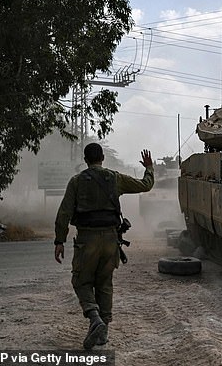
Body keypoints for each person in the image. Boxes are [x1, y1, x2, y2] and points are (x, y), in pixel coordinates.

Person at [54, 143, 154, 349]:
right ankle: (102, 333)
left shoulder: (76, 181)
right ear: (102, 158)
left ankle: (94, 318)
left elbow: (64, 213)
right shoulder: (114, 178)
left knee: (81, 282)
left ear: (85, 160)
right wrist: (149, 168)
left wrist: (59, 240)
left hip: (87, 239)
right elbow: (145, 185)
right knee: (105, 283)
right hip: (110, 239)